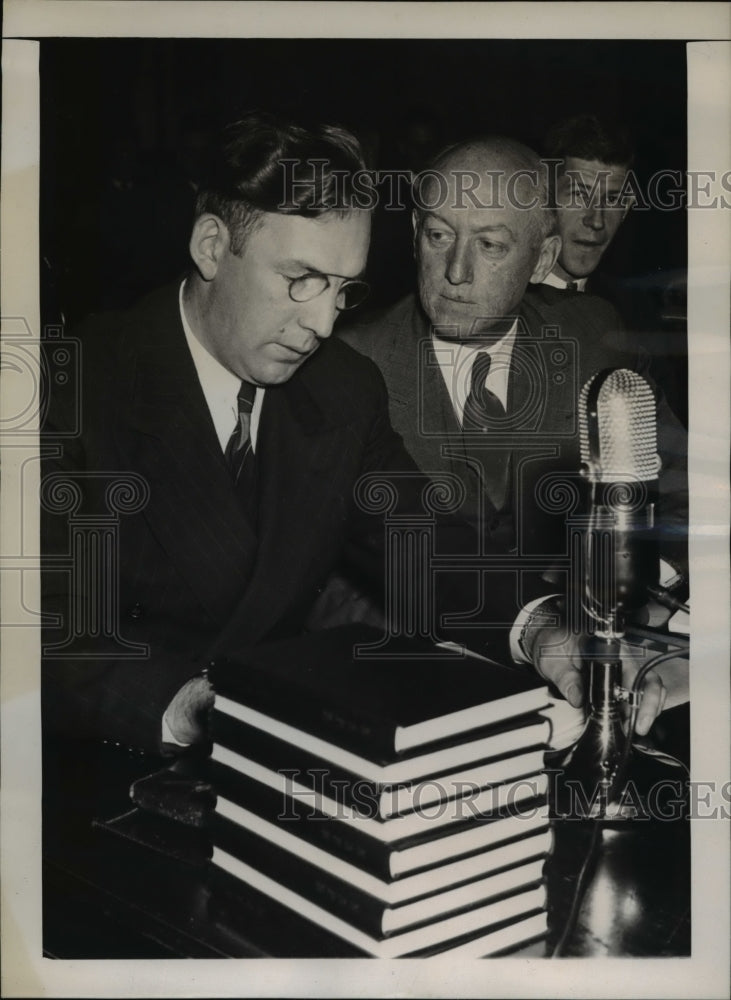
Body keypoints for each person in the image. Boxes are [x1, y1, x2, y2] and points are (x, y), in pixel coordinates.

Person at [41, 114, 604, 756]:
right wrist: (184, 702)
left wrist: (539, 628)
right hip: (101, 773)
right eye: (300, 280)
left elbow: (418, 538)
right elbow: (38, 631)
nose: (321, 323)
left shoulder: (341, 388)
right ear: (211, 246)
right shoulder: (67, 389)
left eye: (342, 290)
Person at [339, 134, 687, 725]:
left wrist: (654, 608)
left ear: (544, 259)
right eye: (439, 235)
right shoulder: (346, 366)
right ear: (413, 235)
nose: (455, 271)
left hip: (581, 671)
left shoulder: (592, 335)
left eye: (491, 245)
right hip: (405, 683)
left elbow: (678, 494)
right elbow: (323, 584)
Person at [538, 112, 688, 426]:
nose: (596, 220)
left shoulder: (637, 315)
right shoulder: (495, 302)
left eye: (613, 199)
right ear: (542, 198)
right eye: (579, 194)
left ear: (627, 209)